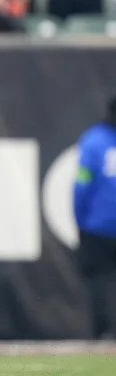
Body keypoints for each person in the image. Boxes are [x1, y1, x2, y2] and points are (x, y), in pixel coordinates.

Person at [74, 97, 116, 339]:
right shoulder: (93, 140)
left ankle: (103, 334)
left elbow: (82, 186)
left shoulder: (94, 141)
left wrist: (81, 219)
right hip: (97, 227)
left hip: (98, 227)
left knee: (100, 282)